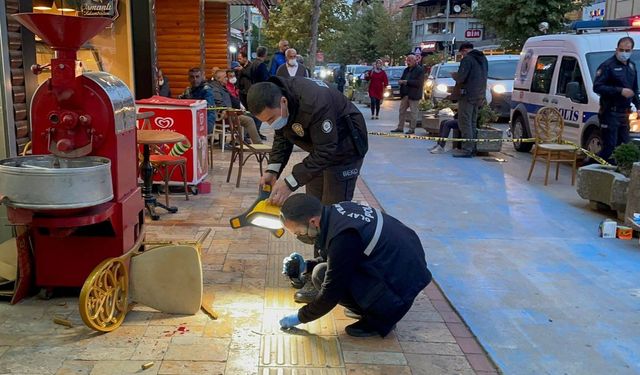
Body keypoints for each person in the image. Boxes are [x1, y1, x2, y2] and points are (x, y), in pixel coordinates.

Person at [278, 194, 432, 337]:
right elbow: (340, 259)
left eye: (299, 232)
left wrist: (300, 317)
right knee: (321, 270)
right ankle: (371, 306)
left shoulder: (343, 237)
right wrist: (306, 266)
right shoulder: (337, 212)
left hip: (401, 285)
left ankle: (379, 320)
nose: (300, 237)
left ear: (313, 221)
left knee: (322, 275)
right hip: (404, 266)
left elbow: (331, 293)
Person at [247, 77, 368, 206]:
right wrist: (272, 171)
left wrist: (290, 183)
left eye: (271, 119)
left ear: (283, 102)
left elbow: (325, 151)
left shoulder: (315, 103)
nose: (270, 124)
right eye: (265, 121)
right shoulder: (283, 96)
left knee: (332, 208)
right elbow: (283, 136)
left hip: (346, 148)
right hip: (320, 149)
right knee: (312, 205)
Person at [593, 36, 640, 163]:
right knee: (610, 148)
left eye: (627, 50)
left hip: (624, 113)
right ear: (616, 49)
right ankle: (590, 166)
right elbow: (597, 87)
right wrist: (619, 91)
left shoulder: (631, 66)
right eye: (621, 49)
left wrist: (638, 106)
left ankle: (618, 173)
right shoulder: (608, 66)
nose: (624, 53)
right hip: (610, 112)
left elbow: (634, 89)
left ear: (631, 50)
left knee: (625, 147)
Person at [451, 42, 488, 158]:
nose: (462, 56)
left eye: (462, 53)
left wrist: (454, 75)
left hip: (467, 95)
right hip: (479, 95)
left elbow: (462, 77)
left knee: (465, 122)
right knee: (472, 122)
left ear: (464, 51)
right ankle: (472, 148)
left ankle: (467, 149)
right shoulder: (483, 59)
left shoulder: (467, 60)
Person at [210, 70, 263, 144]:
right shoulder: (215, 89)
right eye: (225, 77)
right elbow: (220, 105)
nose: (227, 79)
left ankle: (239, 140)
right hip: (225, 116)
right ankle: (258, 144)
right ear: (218, 79)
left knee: (251, 115)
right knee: (248, 120)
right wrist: (233, 110)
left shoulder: (222, 87)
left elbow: (233, 100)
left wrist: (240, 108)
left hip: (230, 113)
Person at [390, 55, 425, 135]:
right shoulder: (406, 70)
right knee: (401, 111)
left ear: (414, 61)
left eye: (410, 61)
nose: (408, 63)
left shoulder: (419, 70)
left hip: (414, 94)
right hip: (405, 94)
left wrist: (407, 82)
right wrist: (401, 82)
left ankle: (412, 129)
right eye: (407, 61)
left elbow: (418, 83)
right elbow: (403, 78)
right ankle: (400, 127)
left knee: (413, 112)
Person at [178, 67, 216, 133]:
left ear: (202, 77)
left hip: (205, 120)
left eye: (197, 77)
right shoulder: (188, 91)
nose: (195, 79)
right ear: (189, 78)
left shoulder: (207, 90)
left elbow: (208, 108)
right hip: (191, 119)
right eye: (192, 77)